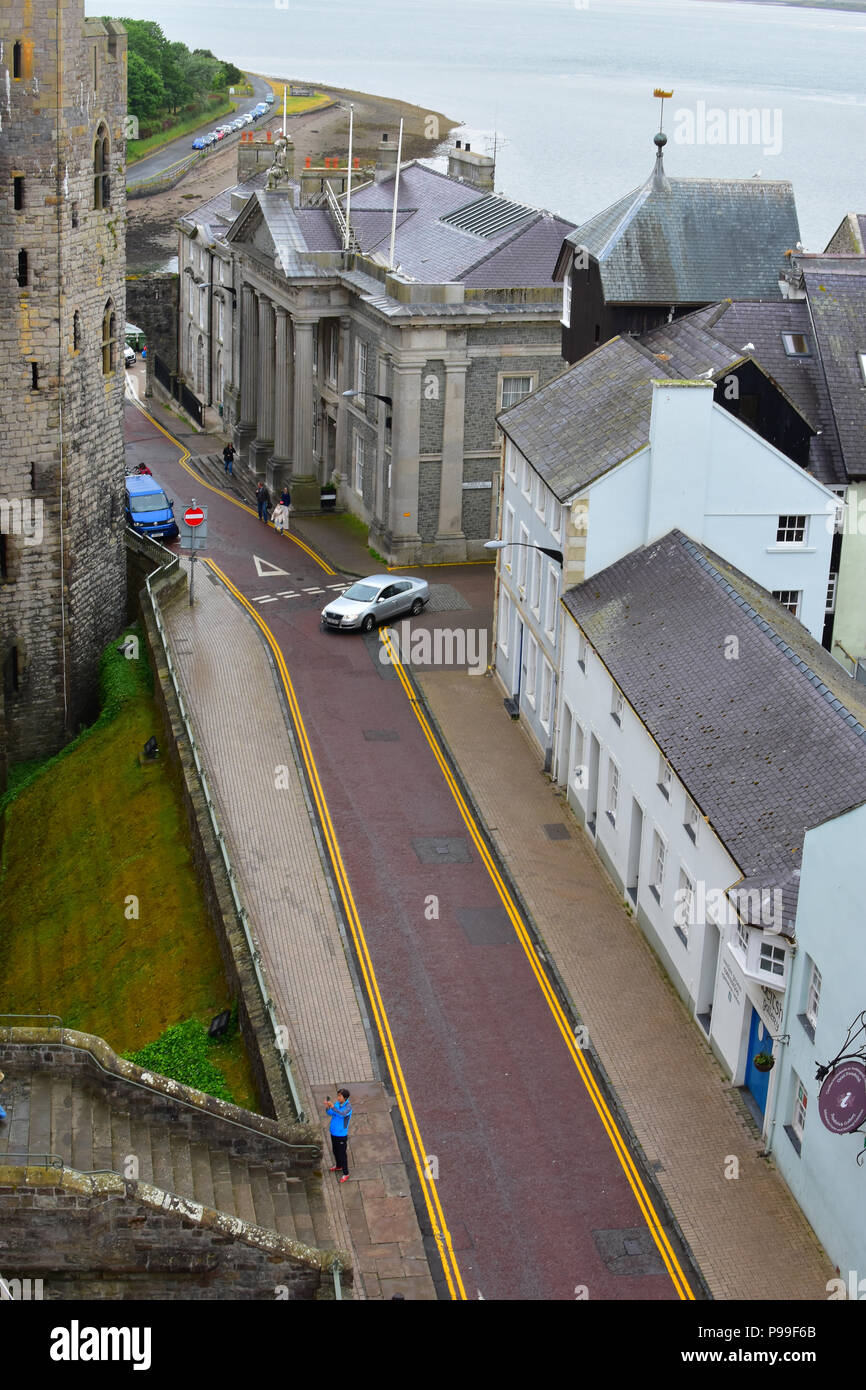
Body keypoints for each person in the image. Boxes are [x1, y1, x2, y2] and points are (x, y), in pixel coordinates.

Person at [325, 1089, 352, 1182]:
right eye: (338, 1096)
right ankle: (338, 1166)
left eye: (340, 1096)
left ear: (345, 1097)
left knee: (342, 1154)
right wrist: (328, 1108)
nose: (338, 1098)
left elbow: (342, 1114)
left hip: (341, 1134)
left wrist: (333, 1107)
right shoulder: (337, 1104)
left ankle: (346, 1173)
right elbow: (330, 1113)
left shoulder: (348, 1107)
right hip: (334, 1132)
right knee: (335, 1151)